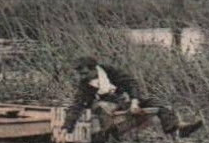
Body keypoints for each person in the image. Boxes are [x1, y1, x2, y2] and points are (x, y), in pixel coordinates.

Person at [64, 55, 199, 137]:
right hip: (105, 107)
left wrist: (134, 102)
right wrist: (67, 126)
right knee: (102, 108)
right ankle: (109, 138)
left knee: (157, 103)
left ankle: (177, 127)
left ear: (94, 69)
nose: (82, 77)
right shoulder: (85, 84)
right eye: (80, 74)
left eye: (85, 73)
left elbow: (131, 83)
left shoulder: (110, 71)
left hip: (124, 100)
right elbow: (77, 104)